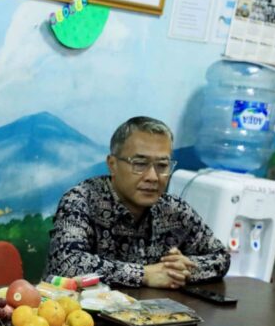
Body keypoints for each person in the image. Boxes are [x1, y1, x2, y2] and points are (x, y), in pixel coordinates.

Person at [47, 116, 230, 289]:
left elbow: (221, 257)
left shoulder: (174, 210)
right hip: (79, 310)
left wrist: (183, 268)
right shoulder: (81, 200)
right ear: (112, 164)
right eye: (140, 164)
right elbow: (67, 264)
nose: (153, 177)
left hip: (151, 310)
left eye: (162, 166)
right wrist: (144, 274)